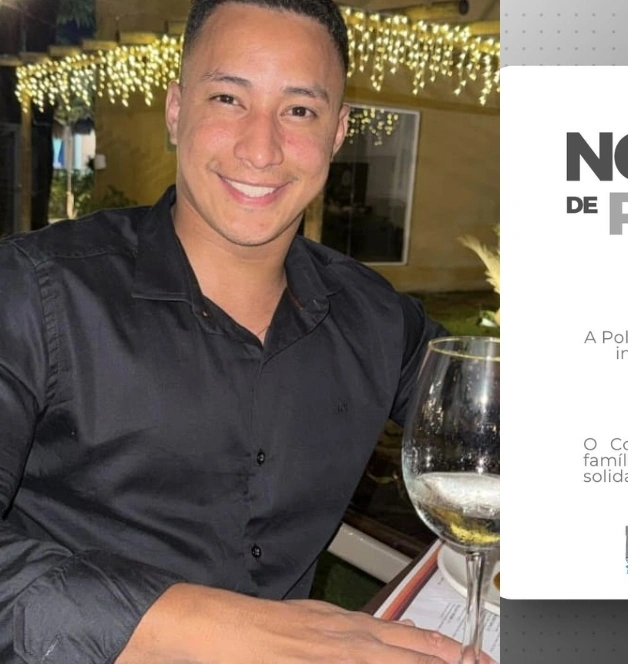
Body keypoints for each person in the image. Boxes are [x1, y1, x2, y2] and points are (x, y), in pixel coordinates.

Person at [0, 1, 492, 662]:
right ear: (177, 110)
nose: (260, 149)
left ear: (338, 132)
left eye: (300, 110)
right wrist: (232, 630)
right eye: (228, 98)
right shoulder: (32, 293)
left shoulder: (374, 316)